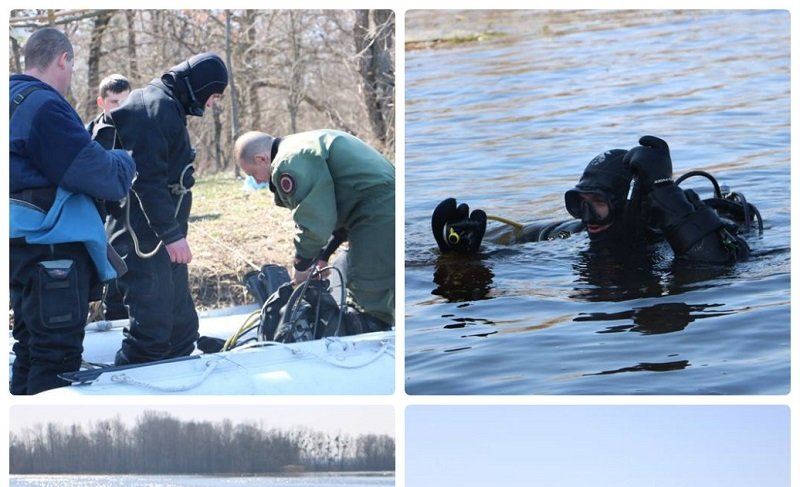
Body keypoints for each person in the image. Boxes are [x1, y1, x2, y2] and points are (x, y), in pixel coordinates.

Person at [9, 27, 136, 394]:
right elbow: (102, 177)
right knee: (57, 359)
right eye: (71, 64)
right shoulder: (45, 105)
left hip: (18, 248)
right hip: (52, 253)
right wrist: (123, 159)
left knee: (31, 349)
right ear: (63, 59)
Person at [432, 136, 757, 267]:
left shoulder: (671, 236)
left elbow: (717, 265)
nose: (587, 217)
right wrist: (463, 252)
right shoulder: (570, 233)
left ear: (628, 203)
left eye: (597, 202)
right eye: (578, 202)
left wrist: (663, 190)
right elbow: (516, 241)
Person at [107, 52, 228, 365]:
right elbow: (146, 179)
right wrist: (172, 235)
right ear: (200, 87)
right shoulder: (153, 108)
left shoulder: (166, 106)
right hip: (142, 236)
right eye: (213, 96)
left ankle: (179, 387)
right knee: (153, 331)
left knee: (182, 328)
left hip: (160, 234)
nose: (211, 104)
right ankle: (127, 390)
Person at [234, 128, 395, 331]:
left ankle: (373, 343)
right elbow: (340, 207)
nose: (256, 181)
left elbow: (315, 222)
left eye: (252, 173)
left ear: (262, 159)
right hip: (377, 207)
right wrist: (323, 256)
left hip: (377, 210)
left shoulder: (289, 161)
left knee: (367, 290)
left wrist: (301, 266)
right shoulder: (300, 144)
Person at [85, 73, 132, 320]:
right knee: (110, 279)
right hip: (100, 216)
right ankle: (109, 317)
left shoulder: (140, 130)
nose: (120, 108)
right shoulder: (88, 134)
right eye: (114, 102)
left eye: (126, 102)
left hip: (134, 216)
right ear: (101, 102)